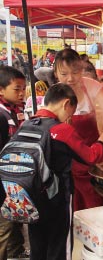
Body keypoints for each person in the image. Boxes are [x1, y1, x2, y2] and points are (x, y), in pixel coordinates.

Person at [28, 83, 103, 260]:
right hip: (56, 199)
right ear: (66, 104)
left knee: (38, 244)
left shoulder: (28, 124)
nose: (70, 118)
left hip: (31, 198)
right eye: (70, 113)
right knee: (60, 245)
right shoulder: (62, 130)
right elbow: (90, 157)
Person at [53, 48, 103, 211]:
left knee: (95, 201)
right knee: (72, 204)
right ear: (56, 73)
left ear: (81, 70)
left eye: (75, 72)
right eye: (64, 73)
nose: (70, 79)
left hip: (93, 156)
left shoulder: (92, 86)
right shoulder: (54, 95)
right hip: (67, 161)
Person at [0, 66, 28, 259]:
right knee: (4, 229)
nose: (21, 93)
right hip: (3, 184)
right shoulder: (1, 115)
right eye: (16, 89)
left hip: (12, 181)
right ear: (1, 90)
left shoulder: (15, 110)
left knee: (13, 223)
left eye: (23, 88)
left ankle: (16, 253)